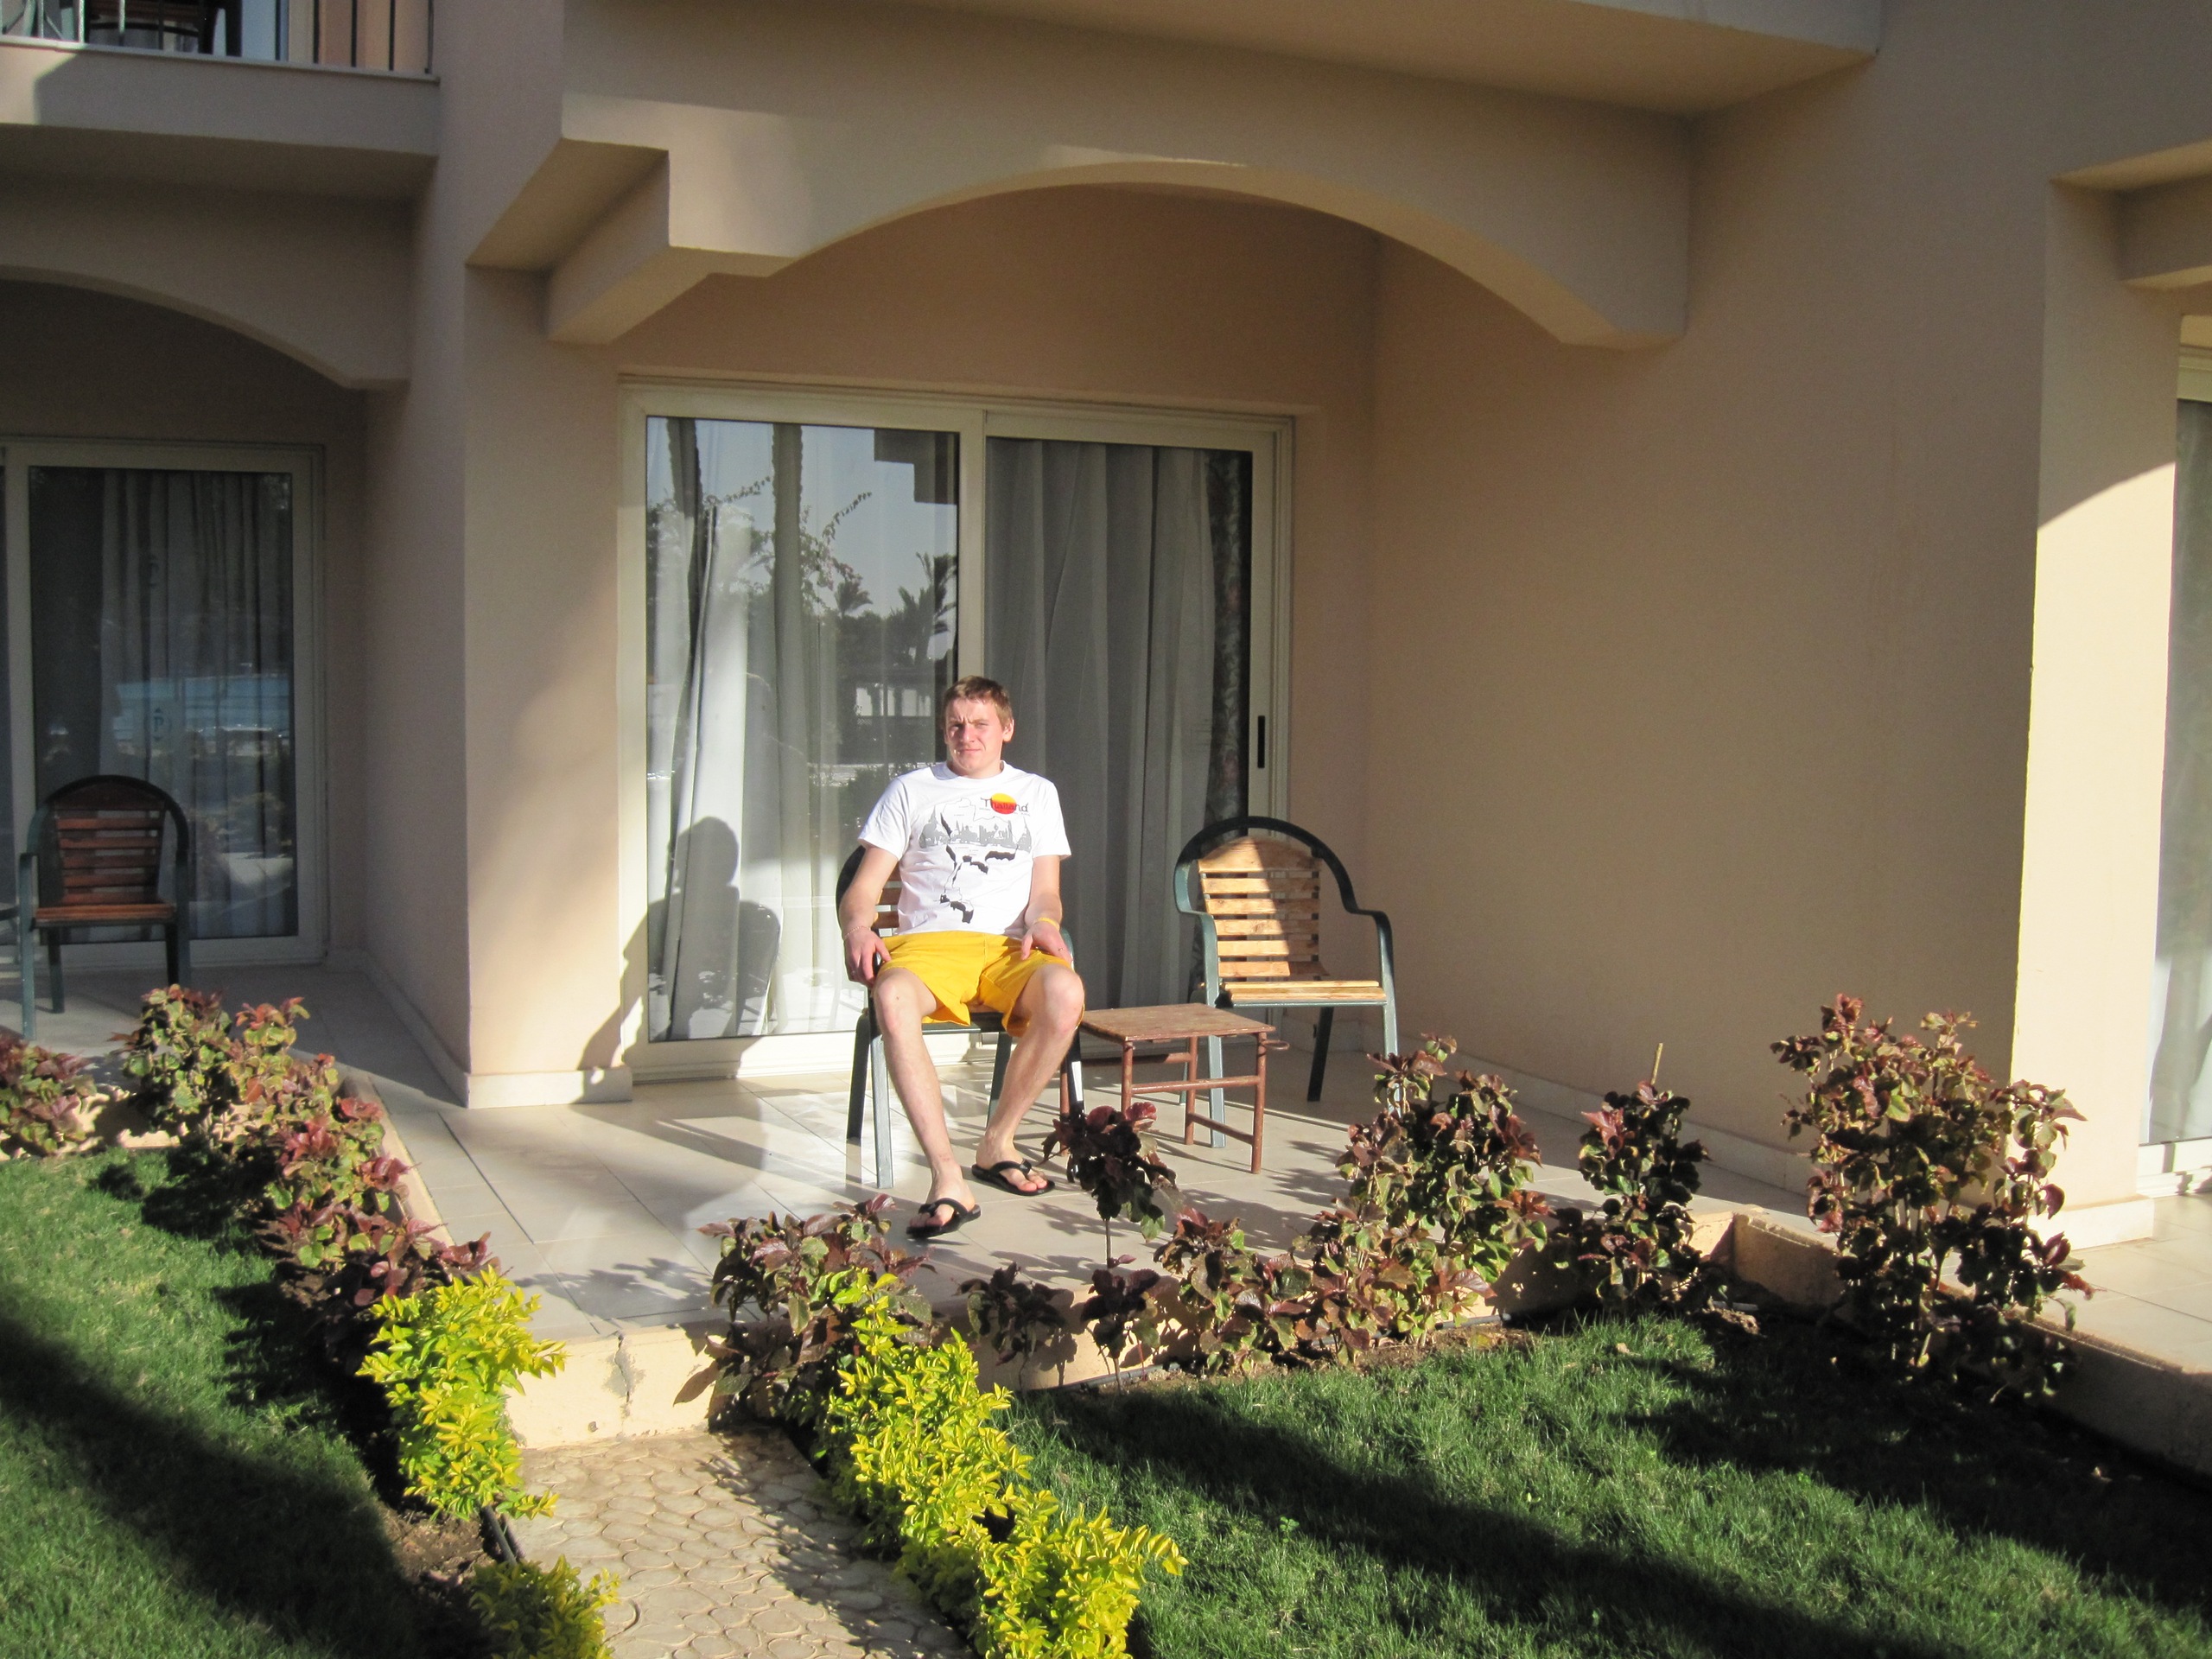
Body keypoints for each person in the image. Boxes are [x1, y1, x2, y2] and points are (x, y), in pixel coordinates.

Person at [841, 676, 1085, 1238]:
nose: (966, 735)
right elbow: (862, 890)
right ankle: (946, 1175)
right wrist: (857, 928)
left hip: (1008, 950)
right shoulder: (910, 791)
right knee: (892, 995)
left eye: (979, 724)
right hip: (928, 950)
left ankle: (998, 1142)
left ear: (1007, 729)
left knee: (1066, 992)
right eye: (955, 724)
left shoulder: (1037, 793)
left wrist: (1046, 923)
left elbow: (1046, 893)